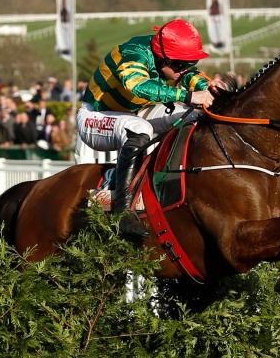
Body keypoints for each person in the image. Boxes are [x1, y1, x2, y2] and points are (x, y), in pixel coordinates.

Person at [76, 18, 219, 242]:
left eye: (188, 63)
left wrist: (208, 87)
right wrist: (188, 96)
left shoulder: (172, 62)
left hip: (135, 112)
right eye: (180, 65)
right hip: (95, 116)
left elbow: (190, 76)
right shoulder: (134, 52)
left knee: (195, 114)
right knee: (140, 128)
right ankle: (122, 211)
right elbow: (137, 86)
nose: (184, 70)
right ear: (163, 57)